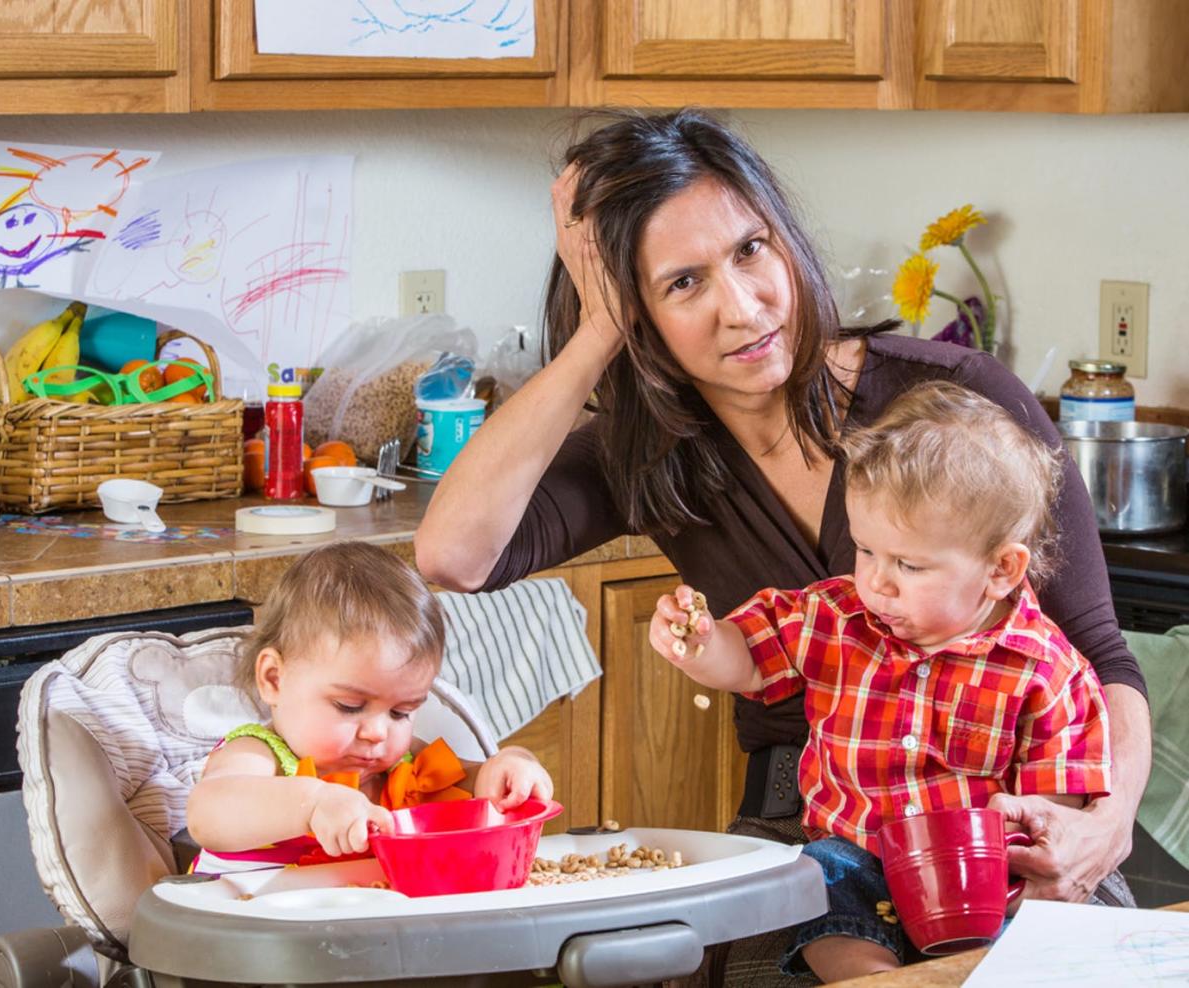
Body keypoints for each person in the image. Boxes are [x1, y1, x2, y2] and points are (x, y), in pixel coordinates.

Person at [414, 107, 1147, 919]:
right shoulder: (645, 453)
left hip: (1011, 840)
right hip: (805, 836)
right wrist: (594, 333)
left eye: (749, 250)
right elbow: (453, 555)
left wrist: (1104, 828)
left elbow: (1099, 651)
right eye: (681, 283)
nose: (743, 306)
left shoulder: (954, 403)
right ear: (636, 312)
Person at [647, 381, 1111, 981]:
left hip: (980, 877)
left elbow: (1059, 806)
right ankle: (869, 978)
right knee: (816, 881)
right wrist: (703, 643)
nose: (878, 584)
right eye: (867, 551)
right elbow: (748, 660)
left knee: (1042, 926)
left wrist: (1026, 826)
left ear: (1001, 568)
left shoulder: (1048, 670)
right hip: (856, 857)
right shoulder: (834, 617)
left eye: (909, 565)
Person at [186, 541, 552, 870]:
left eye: (401, 713)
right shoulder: (258, 755)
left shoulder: (401, 763)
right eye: (349, 706)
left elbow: (476, 780)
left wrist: (511, 766)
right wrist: (312, 804)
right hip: (248, 935)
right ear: (274, 680)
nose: (378, 732)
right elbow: (207, 813)